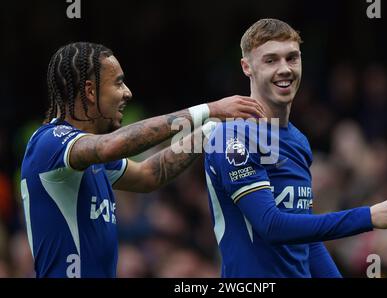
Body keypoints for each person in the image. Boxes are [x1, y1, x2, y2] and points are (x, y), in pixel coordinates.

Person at [203, 18, 387, 277]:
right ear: (247, 67)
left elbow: (307, 242)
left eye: (292, 58)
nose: (285, 68)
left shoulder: (298, 141)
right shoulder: (231, 137)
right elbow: (271, 225)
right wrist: (367, 217)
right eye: (271, 60)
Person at [20, 42, 265, 278]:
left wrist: (212, 129)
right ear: (90, 91)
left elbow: (149, 174)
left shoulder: (87, 158)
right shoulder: (50, 142)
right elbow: (111, 146)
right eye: (118, 83)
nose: (127, 92)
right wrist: (209, 110)